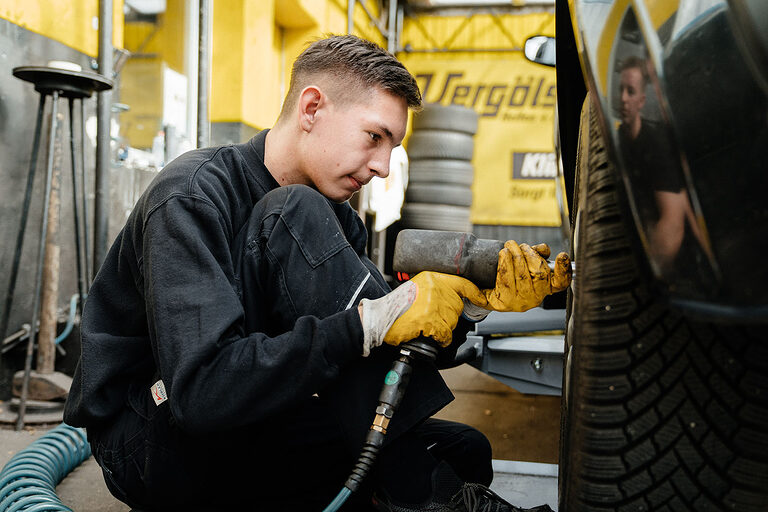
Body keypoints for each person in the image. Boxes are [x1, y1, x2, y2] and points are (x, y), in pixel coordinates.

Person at [64, 35, 571, 511]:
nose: (383, 167)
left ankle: (413, 488)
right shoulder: (194, 195)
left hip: (252, 416)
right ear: (311, 109)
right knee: (415, 476)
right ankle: (418, 493)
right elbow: (202, 394)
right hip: (154, 432)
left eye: (391, 147)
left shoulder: (339, 220)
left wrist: (467, 307)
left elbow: (387, 356)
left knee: (465, 448)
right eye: (375, 137)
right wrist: (365, 325)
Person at [617, 56, 703, 272]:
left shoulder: (657, 144)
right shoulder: (616, 139)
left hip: (679, 264)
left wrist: (651, 273)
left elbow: (673, 224)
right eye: (620, 90)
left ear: (642, 101)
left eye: (631, 91)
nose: (623, 99)